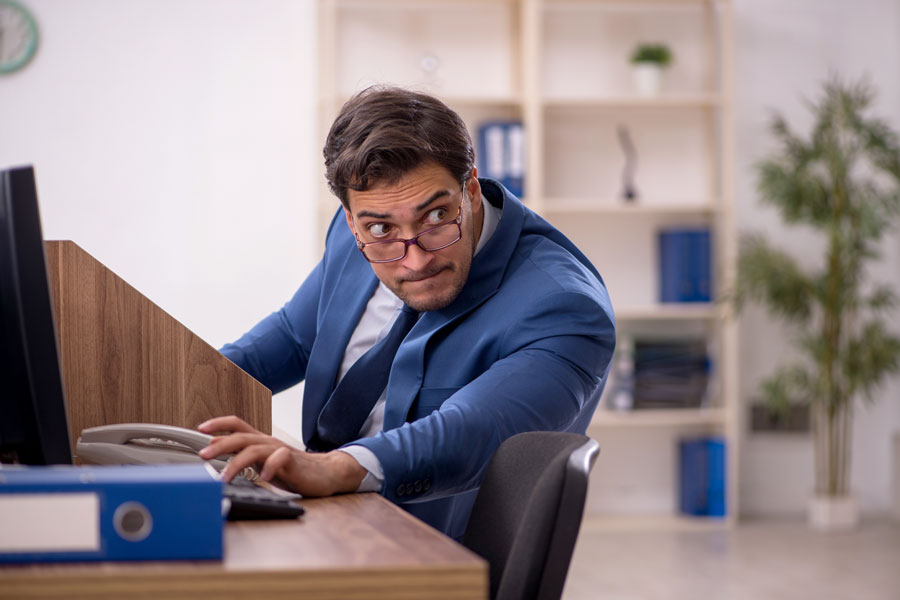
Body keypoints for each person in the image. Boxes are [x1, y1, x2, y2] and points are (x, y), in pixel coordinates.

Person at [198, 86, 616, 540]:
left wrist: (333, 468)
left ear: (470, 190)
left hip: (425, 554)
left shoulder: (567, 309)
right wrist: (181, 391)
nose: (415, 260)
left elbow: (473, 428)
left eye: (437, 217)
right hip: (324, 522)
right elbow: (293, 337)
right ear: (351, 216)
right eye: (380, 228)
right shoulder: (356, 231)